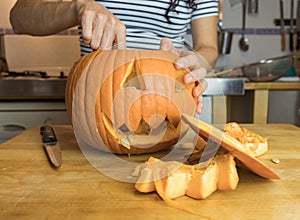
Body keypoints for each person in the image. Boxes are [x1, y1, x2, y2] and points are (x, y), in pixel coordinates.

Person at [10, 0, 219, 114]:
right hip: (97, 103)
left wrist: (193, 63)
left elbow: (208, 48)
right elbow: (19, 17)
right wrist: (77, 7)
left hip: (172, 94)